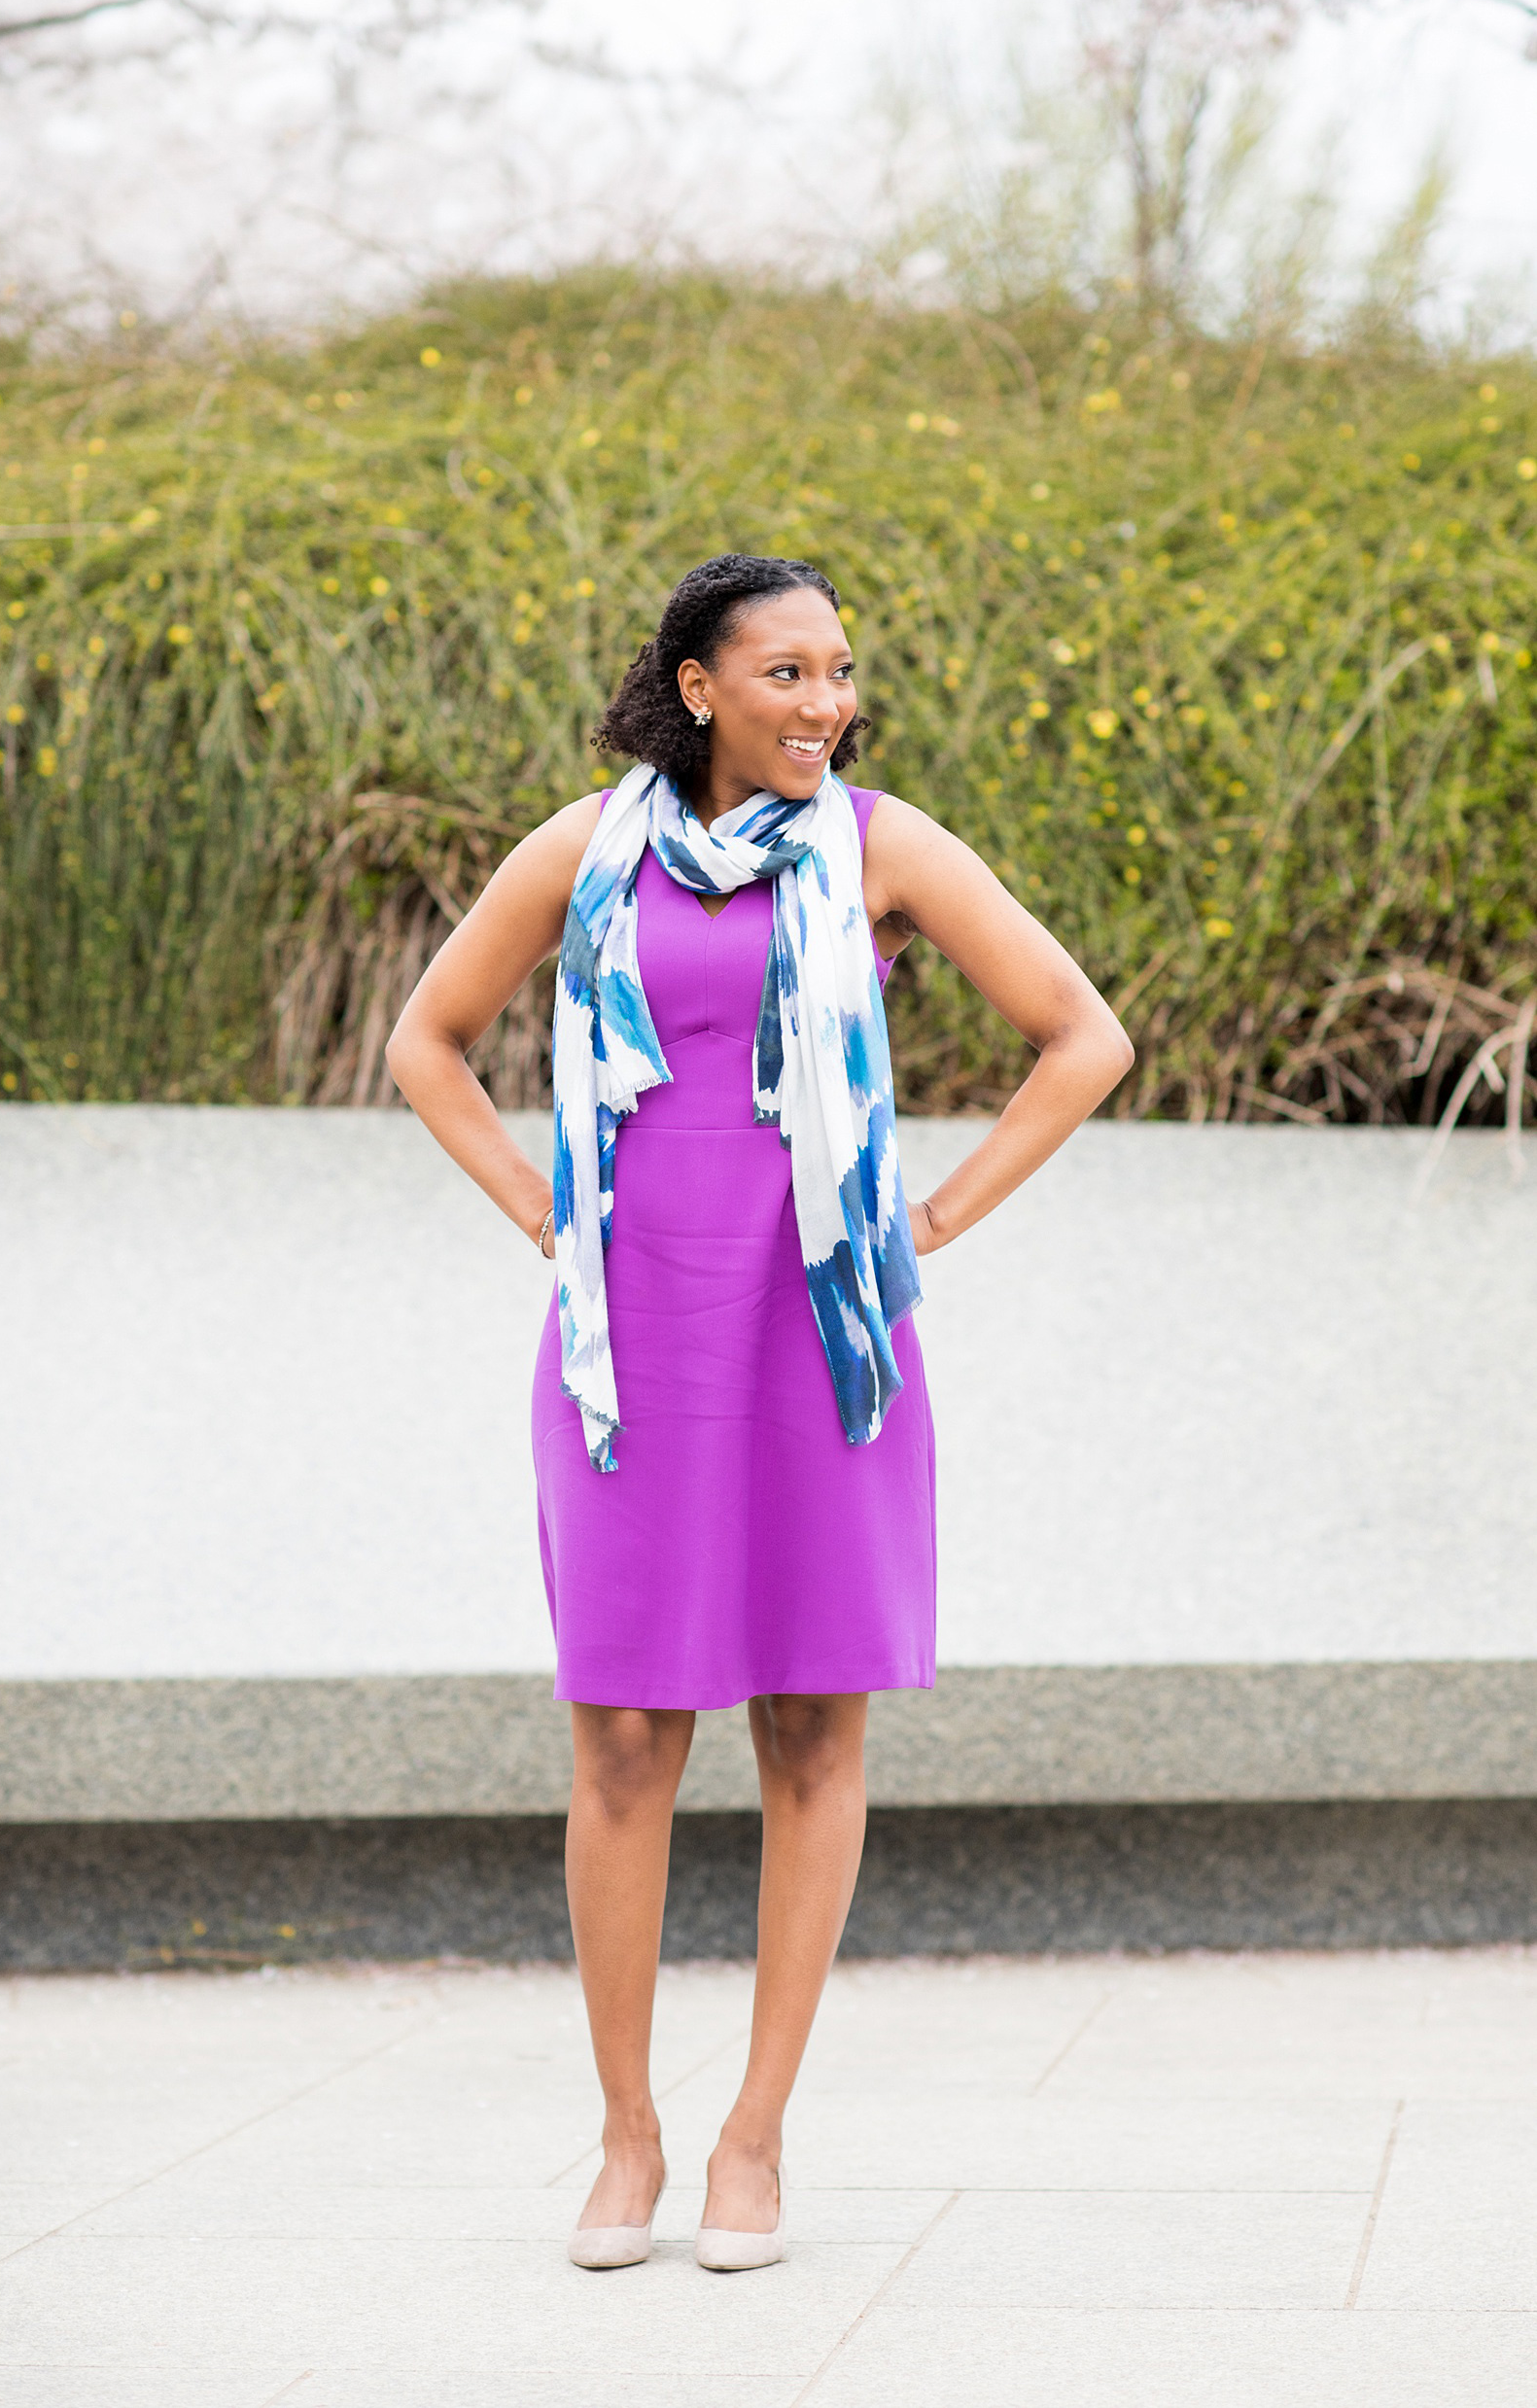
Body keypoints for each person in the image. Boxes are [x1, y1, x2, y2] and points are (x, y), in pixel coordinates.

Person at [386, 552, 1132, 2273]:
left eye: (841, 671)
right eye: (787, 672)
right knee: (625, 1736)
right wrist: (552, 1214)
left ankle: (753, 2138)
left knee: (811, 1729)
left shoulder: (880, 848)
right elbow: (429, 1039)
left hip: (823, 1335)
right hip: (626, 1342)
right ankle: (628, 2134)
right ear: (701, 685)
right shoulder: (584, 849)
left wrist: (925, 1222)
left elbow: (1082, 1037)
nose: (826, 702)